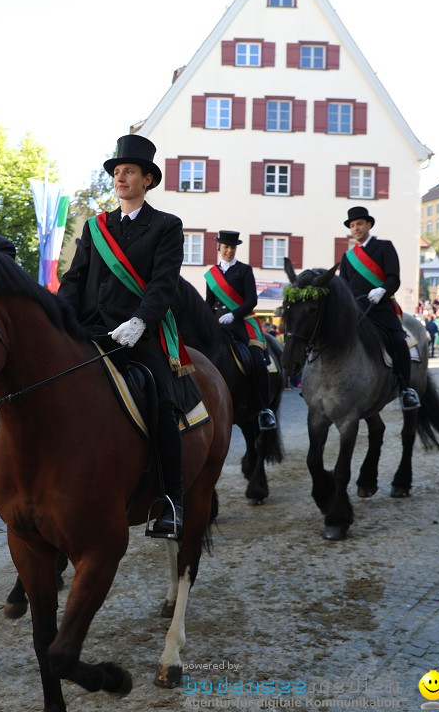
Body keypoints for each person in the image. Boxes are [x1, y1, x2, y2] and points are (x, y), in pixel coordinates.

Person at [59, 134, 188, 538]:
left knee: (159, 395)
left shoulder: (166, 226)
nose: (120, 178)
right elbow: (74, 278)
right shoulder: (96, 227)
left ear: (147, 179)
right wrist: (59, 316)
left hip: (136, 332)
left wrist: (140, 322)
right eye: (116, 172)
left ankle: (171, 499)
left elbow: (163, 284)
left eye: (128, 171)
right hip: (88, 329)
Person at [338, 206, 419, 410]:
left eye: (359, 224)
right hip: (356, 310)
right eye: (352, 225)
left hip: (381, 307)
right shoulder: (348, 257)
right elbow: (344, 286)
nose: (355, 228)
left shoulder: (384, 247)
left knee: (399, 341)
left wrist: (382, 290)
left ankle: (405, 389)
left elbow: (394, 278)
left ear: (369, 225)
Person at [203, 230, 276, 430]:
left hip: (241, 323)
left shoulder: (244, 270)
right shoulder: (212, 275)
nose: (229, 251)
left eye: (232, 248)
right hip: (218, 325)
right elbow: (209, 304)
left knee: (256, 359)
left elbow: (252, 300)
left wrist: (233, 314)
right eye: (226, 247)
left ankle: (263, 410)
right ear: (219, 247)